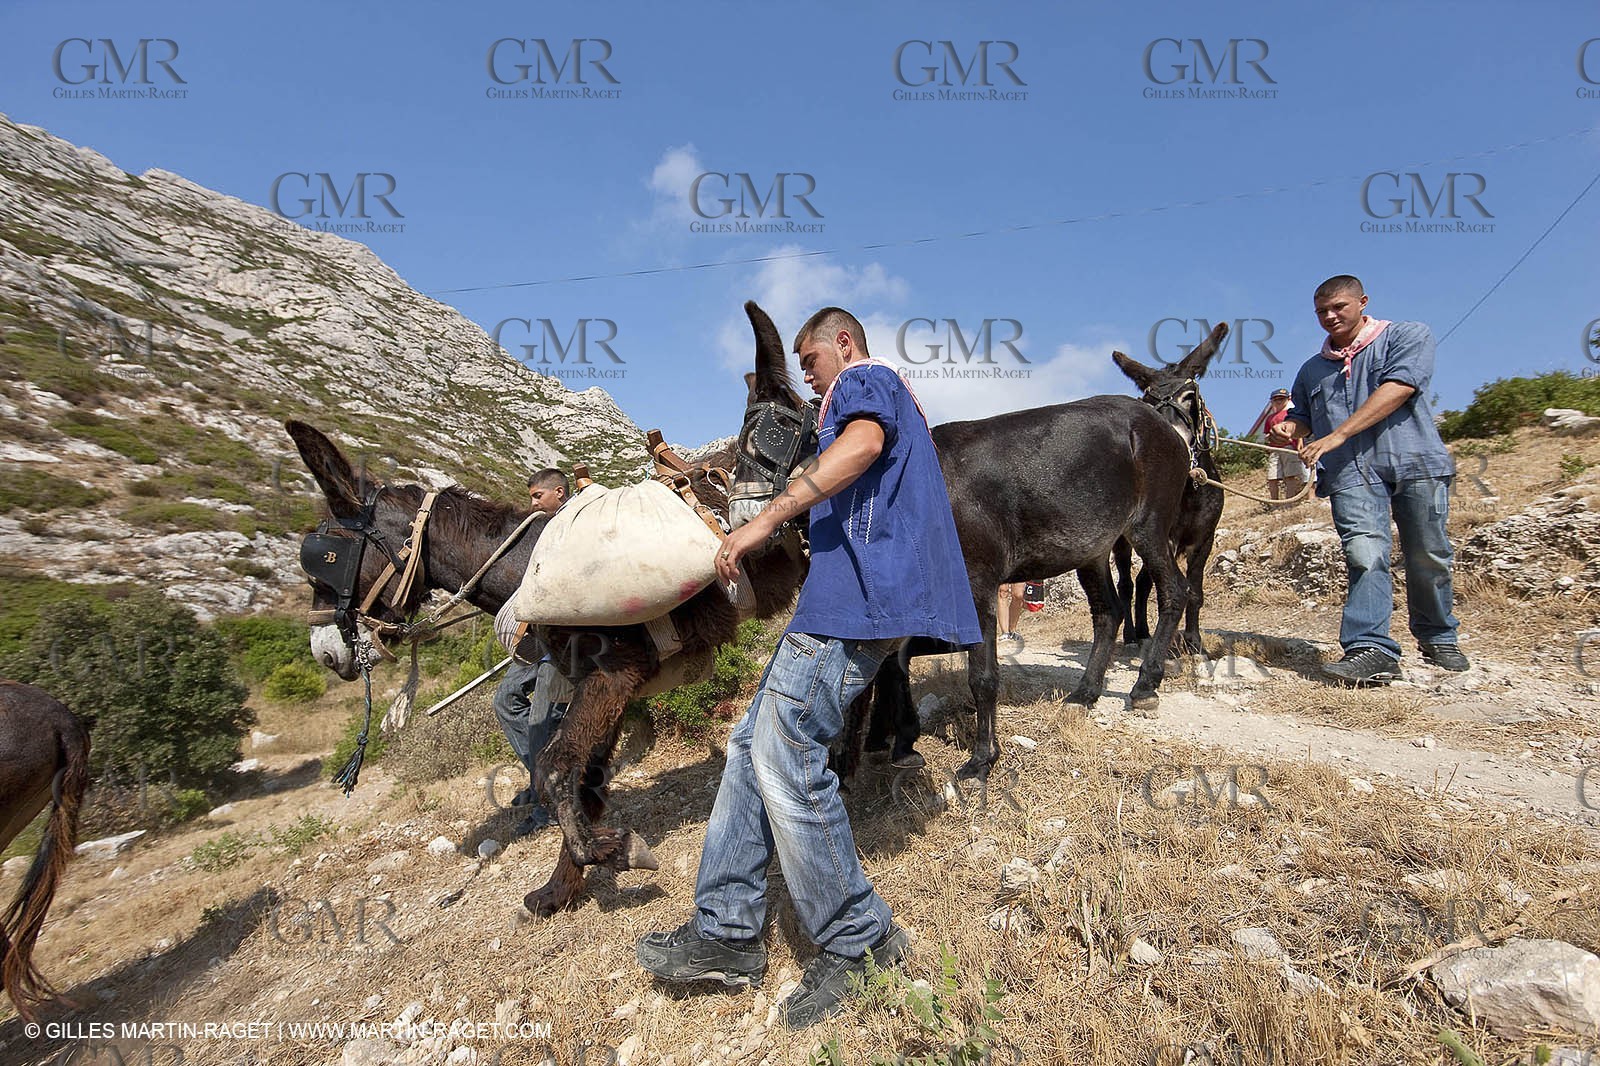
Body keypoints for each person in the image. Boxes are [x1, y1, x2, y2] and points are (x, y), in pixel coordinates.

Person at [635, 306, 980, 1029]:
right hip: (847, 600)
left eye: (812, 356)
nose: (810, 373)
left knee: (786, 749)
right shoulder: (871, 390)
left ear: (843, 344)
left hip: (854, 602)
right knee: (748, 747)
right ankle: (727, 931)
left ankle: (860, 942)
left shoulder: (865, 380)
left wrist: (762, 519)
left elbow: (859, 444)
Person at [1270, 275, 1468, 685]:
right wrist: (1291, 429)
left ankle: (1437, 635)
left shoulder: (1408, 335)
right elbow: (1303, 417)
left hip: (1417, 462)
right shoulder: (1310, 370)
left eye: (1338, 307)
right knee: (1365, 555)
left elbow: (1400, 387)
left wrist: (1338, 433)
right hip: (1349, 473)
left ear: (1362, 302)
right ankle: (1370, 648)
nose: (1329, 316)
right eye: (1321, 311)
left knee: (1428, 553)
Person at [492, 469, 574, 837]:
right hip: (535, 640)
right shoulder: (543, 531)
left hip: (562, 644)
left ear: (559, 492)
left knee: (542, 721)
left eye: (537, 496)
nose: (532, 503)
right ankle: (544, 777)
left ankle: (549, 802)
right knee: (505, 701)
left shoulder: (576, 524)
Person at [1261, 388, 1308, 501]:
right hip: (1275, 450)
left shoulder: (1291, 413)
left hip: (1289, 447)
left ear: (1288, 399)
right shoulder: (1270, 418)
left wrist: (1300, 444)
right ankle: (1275, 502)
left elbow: (1298, 430)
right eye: (1276, 399)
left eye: (1281, 398)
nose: (1278, 401)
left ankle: (1289, 501)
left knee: (1290, 476)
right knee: (1272, 477)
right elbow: (1266, 434)